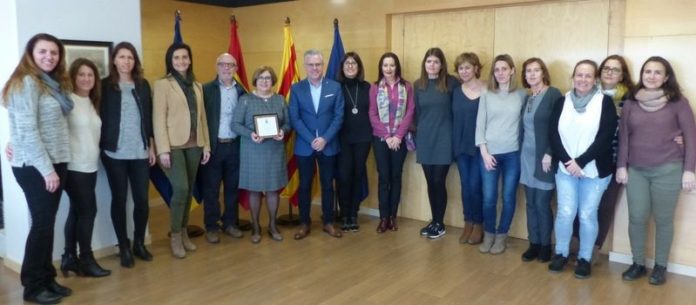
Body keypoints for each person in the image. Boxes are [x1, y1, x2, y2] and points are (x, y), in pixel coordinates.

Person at [2, 32, 74, 304]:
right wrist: (47, 170)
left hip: (54, 160)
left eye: (54, 52)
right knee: (42, 224)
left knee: (46, 224)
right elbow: (29, 131)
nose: (49, 57)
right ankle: (33, 286)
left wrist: (53, 165)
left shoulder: (50, 84)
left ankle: (47, 278)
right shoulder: (26, 83)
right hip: (36, 166)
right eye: (43, 52)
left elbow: (28, 126)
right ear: (31, 55)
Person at [617, 56, 696, 285]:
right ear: (641, 75)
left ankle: (660, 266)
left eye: (657, 72)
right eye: (647, 71)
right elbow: (624, 138)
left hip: (668, 169)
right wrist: (622, 166)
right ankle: (638, 263)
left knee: (663, 220)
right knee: (637, 218)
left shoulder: (679, 102)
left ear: (666, 76)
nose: (651, 76)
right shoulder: (631, 102)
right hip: (636, 171)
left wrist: (689, 170)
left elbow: (691, 138)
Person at [548, 60, 617, 279]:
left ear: (595, 79)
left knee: (587, 215)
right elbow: (553, 134)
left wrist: (581, 161)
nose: (583, 79)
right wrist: (569, 161)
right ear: (573, 77)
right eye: (579, 75)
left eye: (588, 76)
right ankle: (560, 253)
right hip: (565, 169)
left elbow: (606, 137)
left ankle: (585, 258)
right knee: (565, 212)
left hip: (595, 171)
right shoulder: (562, 101)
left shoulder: (604, 102)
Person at [100, 41, 156, 268]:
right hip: (114, 153)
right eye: (122, 57)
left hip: (140, 152)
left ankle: (139, 243)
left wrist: (151, 145)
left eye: (130, 57)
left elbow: (149, 117)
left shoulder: (143, 85)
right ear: (114, 60)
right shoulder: (105, 86)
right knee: (120, 199)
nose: (126, 61)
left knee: (142, 200)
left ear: (135, 61)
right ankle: (123, 245)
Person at [571, 55, 634, 253]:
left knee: (604, 206)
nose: (609, 72)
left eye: (615, 69)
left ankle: (593, 248)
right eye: (606, 68)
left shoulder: (630, 99)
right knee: (579, 204)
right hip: (585, 159)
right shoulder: (586, 93)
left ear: (622, 75)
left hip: (614, 159)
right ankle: (574, 245)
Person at [153, 43, 211, 258]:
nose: (181, 61)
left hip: (195, 146)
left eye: (184, 57)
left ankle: (184, 231)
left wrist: (206, 145)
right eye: (176, 58)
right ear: (170, 60)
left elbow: (202, 117)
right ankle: (175, 235)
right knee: (180, 188)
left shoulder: (196, 85)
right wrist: (163, 150)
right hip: (173, 146)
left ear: (190, 59)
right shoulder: (162, 85)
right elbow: (158, 119)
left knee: (188, 192)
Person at [60, 58, 110, 278]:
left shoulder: (92, 101)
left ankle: (69, 257)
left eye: (90, 75)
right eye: (81, 74)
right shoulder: (67, 101)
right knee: (89, 212)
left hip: (90, 166)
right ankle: (86, 260)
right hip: (74, 167)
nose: (86, 78)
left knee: (77, 212)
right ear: (73, 76)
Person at [289, 49, 344, 240]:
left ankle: (328, 221)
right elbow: (294, 118)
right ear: (305, 66)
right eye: (311, 64)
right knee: (304, 185)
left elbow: (339, 116)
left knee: (328, 184)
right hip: (305, 146)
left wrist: (325, 139)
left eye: (318, 64)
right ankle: (304, 222)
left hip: (328, 145)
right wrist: (311, 139)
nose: (314, 68)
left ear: (323, 65)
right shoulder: (296, 88)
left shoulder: (335, 87)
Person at [231, 66, 291, 243]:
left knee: (273, 190)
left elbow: (288, 123)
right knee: (255, 191)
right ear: (255, 81)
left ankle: (272, 225)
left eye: (267, 78)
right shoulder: (246, 100)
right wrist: (250, 134)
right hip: (253, 150)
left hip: (274, 150)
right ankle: (256, 226)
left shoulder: (280, 100)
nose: (264, 81)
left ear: (272, 80)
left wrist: (282, 131)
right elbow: (235, 124)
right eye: (261, 78)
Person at [475, 54, 526, 254]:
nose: (501, 73)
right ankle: (489, 234)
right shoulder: (486, 93)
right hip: (489, 154)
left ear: (512, 70)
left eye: (505, 69)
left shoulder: (522, 94)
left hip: (513, 154)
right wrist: (484, 152)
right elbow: (480, 124)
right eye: (497, 70)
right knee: (488, 198)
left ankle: (502, 235)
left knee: (508, 197)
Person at [519, 58, 562, 262]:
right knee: (530, 204)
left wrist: (549, 152)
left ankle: (546, 245)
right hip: (526, 157)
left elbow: (558, 128)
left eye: (536, 70)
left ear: (543, 73)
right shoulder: (528, 97)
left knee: (542, 203)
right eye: (529, 71)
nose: (533, 74)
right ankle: (533, 243)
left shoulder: (553, 94)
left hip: (545, 158)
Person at [200, 53, 246, 244]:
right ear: (216, 66)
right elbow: (200, 120)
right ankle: (211, 226)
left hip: (235, 146)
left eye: (230, 65)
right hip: (213, 146)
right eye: (223, 64)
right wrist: (204, 145)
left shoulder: (242, 92)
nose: (227, 68)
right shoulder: (205, 90)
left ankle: (230, 223)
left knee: (232, 188)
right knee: (211, 189)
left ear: (235, 68)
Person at [414, 47, 458, 239]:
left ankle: (440, 223)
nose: (432, 65)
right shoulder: (418, 85)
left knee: (439, 181)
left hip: (444, 138)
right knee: (430, 181)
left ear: (442, 65)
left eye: (436, 62)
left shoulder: (451, 82)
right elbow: (415, 114)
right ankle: (434, 220)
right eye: (429, 61)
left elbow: (458, 111)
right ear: (425, 64)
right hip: (425, 138)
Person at [369, 52, 415, 233]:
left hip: (400, 140)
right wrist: (387, 137)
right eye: (385, 65)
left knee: (396, 177)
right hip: (381, 140)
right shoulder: (374, 88)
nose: (389, 69)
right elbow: (372, 114)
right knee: (383, 178)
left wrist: (398, 136)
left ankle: (393, 217)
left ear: (397, 67)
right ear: (381, 67)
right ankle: (383, 218)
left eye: (392, 65)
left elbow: (410, 112)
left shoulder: (407, 87)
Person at [452, 52, 485, 245]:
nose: (464, 71)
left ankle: (479, 224)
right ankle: (468, 222)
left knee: (475, 186)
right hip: (461, 146)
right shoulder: (456, 91)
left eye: (467, 67)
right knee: (466, 187)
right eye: (461, 68)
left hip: (480, 147)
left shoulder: (487, 89)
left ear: (476, 68)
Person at [336, 52, 372, 232]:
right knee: (344, 176)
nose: (350, 66)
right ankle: (344, 214)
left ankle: (353, 214)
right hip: (342, 138)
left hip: (363, 138)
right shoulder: (336, 87)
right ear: (342, 67)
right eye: (347, 63)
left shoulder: (367, 87)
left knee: (358, 175)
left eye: (354, 63)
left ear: (359, 67)